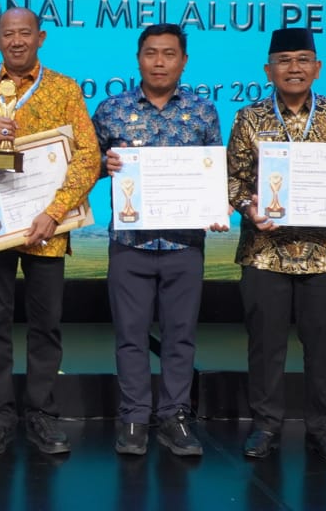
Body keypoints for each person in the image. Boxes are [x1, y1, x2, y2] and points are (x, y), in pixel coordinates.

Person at [0, 6, 100, 455]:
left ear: (41, 37)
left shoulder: (64, 88)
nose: (17, 40)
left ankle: (42, 414)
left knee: (45, 324)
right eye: (8, 33)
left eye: (25, 33)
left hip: (47, 227)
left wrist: (55, 212)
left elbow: (88, 155)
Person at [226, 27, 326, 464]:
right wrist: (247, 206)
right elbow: (233, 180)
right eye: (284, 60)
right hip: (264, 253)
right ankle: (265, 427)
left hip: (325, 254)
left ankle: (321, 429)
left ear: (317, 68)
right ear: (268, 70)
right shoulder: (249, 117)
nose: (294, 68)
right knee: (265, 347)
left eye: (303, 59)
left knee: (324, 348)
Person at [92, 23, 227, 457]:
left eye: (169, 54)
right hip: (130, 244)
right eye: (151, 53)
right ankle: (133, 417)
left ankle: (174, 417)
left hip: (184, 246)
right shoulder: (111, 109)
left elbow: (215, 173)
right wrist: (102, 165)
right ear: (138, 59)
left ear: (183, 61)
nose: (159, 62)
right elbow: (84, 165)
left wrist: (217, 207)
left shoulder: (203, 112)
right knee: (130, 336)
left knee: (180, 336)